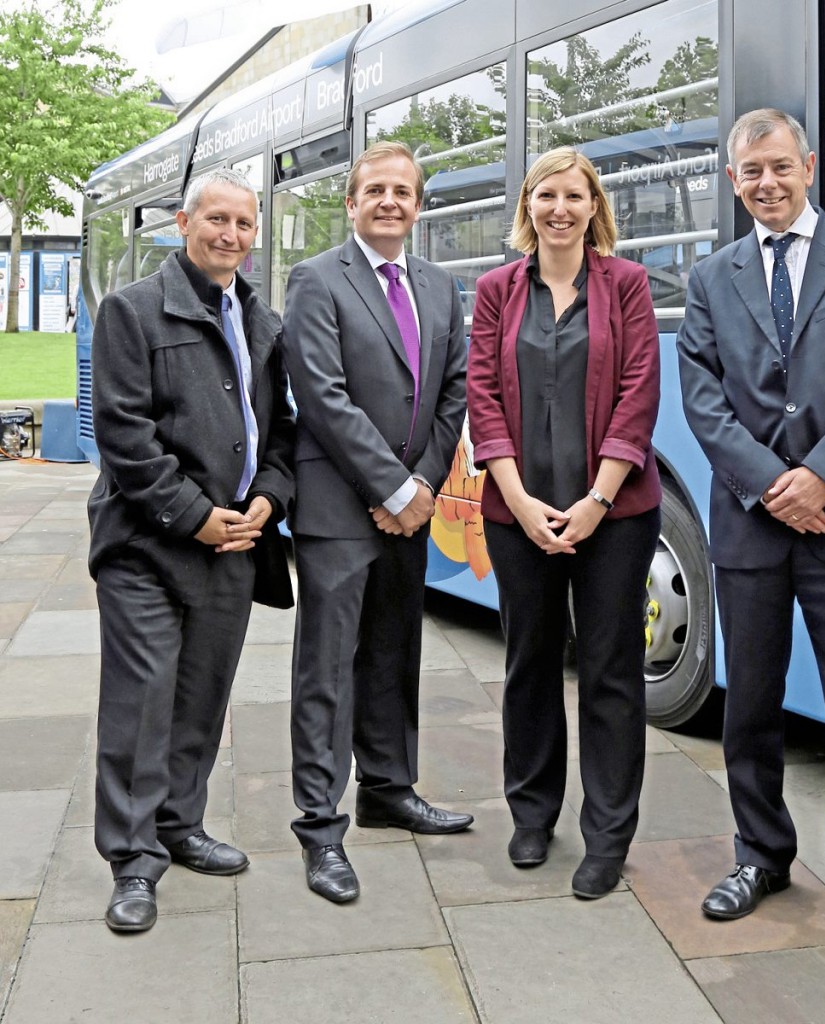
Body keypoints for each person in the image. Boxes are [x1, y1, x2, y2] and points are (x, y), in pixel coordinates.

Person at [677, 109, 825, 951]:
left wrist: (820, 478)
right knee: (749, 705)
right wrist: (772, 486)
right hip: (751, 528)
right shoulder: (711, 277)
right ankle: (761, 854)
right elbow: (701, 396)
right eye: (751, 173)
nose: (767, 184)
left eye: (780, 166)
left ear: (808, 166)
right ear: (734, 180)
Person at [88, 167, 295, 933]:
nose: (230, 235)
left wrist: (269, 499)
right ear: (183, 222)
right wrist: (196, 514)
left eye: (244, 224)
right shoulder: (133, 311)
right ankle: (134, 861)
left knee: (203, 696)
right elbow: (125, 437)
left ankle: (180, 823)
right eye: (216, 220)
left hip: (235, 544)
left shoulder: (261, 319)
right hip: (147, 544)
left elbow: (280, 433)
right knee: (141, 703)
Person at [467, 147, 662, 900]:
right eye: (545, 194)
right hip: (517, 512)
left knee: (612, 670)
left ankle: (608, 833)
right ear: (528, 205)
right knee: (530, 661)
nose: (559, 208)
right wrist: (516, 499)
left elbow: (640, 391)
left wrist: (597, 501)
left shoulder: (629, 285)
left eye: (573, 196)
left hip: (612, 515)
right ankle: (532, 813)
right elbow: (482, 392)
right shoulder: (495, 290)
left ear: (593, 206)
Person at [280, 141, 471, 904]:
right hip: (339, 510)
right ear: (352, 203)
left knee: (394, 655)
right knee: (327, 670)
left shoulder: (440, 286)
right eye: (376, 190)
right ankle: (320, 828)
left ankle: (389, 789)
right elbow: (319, 394)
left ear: (419, 206)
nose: (391, 201)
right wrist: (392, 487)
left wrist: (423, 484)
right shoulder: (317, 279)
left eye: (404, 191)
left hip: (411, 509)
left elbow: (455, 391)